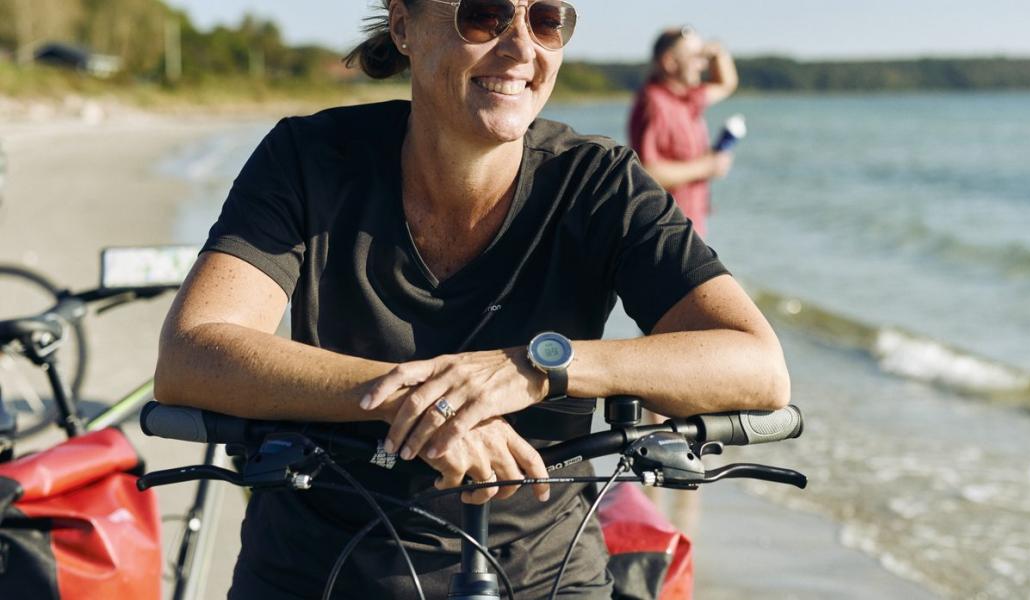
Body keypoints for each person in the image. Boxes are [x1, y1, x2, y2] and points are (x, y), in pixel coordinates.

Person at [153, 1, 788, 598]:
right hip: (318, 568)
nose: (520, 48)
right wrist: (425, 402)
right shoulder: (309, 158)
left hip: (545, 573)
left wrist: (537, 368)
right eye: (482, 15)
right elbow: (192, 351)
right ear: (403, 25)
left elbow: (757, 366)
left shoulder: (600, 184)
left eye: (546, 19)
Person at [627, 26, 739, 239]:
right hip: (664, 230)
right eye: (696, 57)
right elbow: (647, 172)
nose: (703, 64)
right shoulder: (653, 103)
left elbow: (727, 84)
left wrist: (718, 52)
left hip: (691, 226)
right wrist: (707, 166)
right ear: (670, 62)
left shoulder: (689, 98)